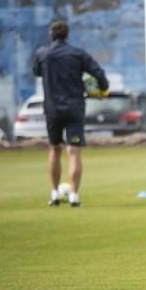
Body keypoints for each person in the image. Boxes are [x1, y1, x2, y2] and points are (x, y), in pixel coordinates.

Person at [33, 20, 109, 207]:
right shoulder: (78, 54)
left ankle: (54, 194)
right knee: (74, 152)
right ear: (67, 35)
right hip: (74, 108)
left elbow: (36, 72)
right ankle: (74, 196)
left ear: (51, 35)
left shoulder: (42, 54)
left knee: (54, 149)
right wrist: (103, 90)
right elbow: (99, 74)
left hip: (52, 109)